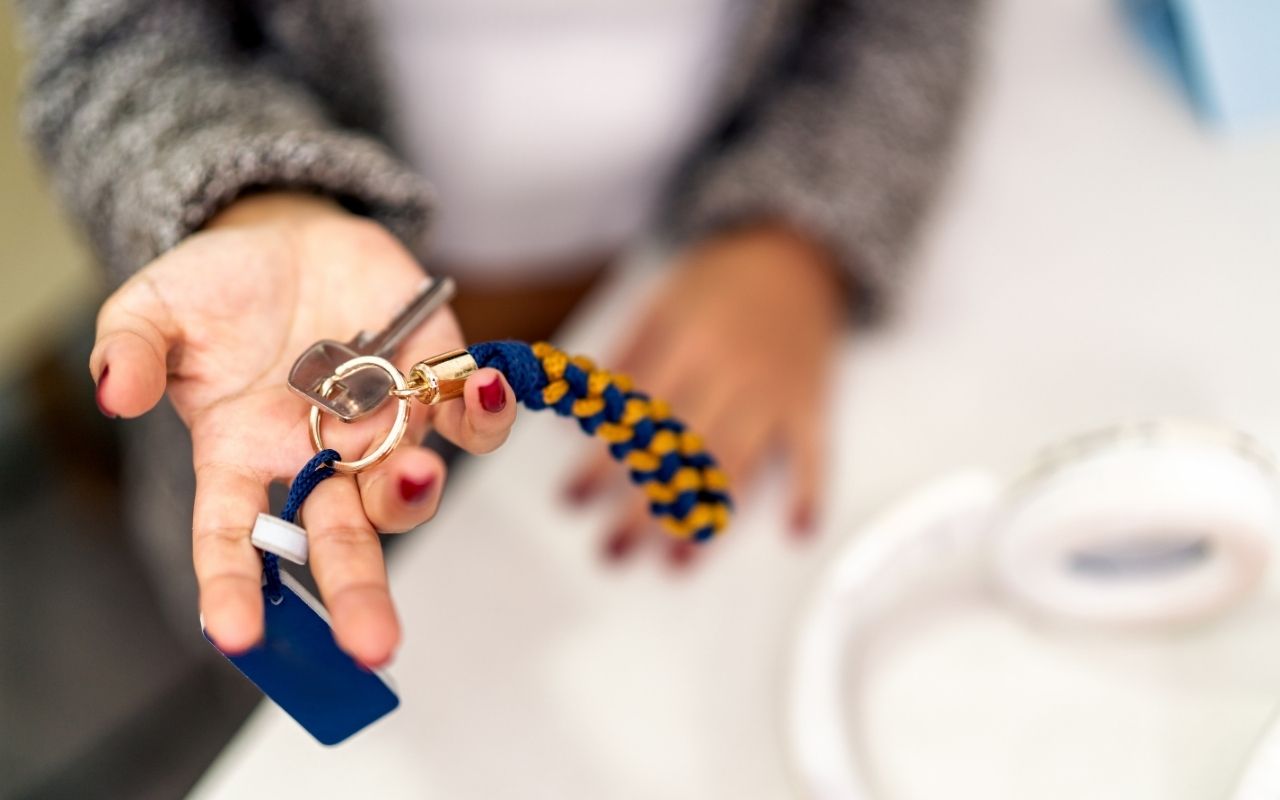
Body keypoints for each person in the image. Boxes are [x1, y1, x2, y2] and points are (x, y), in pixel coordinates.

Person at [18, 0, 977, 668]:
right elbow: (112, 40)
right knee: (311, 643)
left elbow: (905, 16)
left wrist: (800, 227)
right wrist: (250, 199)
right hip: (268, 351)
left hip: (667, 290)